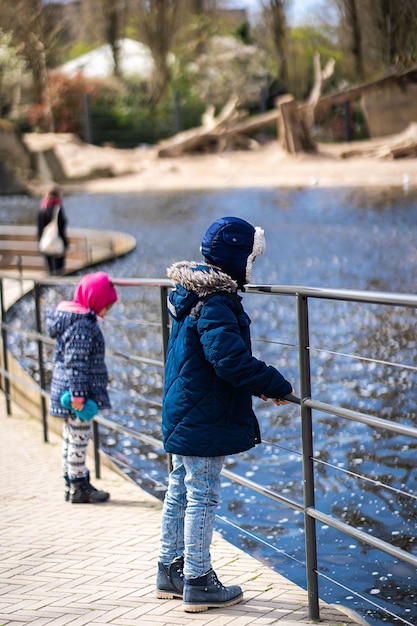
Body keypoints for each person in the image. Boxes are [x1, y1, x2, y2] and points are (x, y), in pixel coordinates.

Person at [156, 216, 294, 613]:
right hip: (204, 414)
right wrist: (272, 382)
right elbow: (229, 360)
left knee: (180, 487)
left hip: (187, 407)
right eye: (250, 258)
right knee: (203, 493)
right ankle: (198, 579)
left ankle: (169, 569)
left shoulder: (190, 292)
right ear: (236, 258)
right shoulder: (216, 301)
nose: (252, 267)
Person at [46, 271, 118, 504]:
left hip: (67, 391)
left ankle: (72, 481)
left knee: (71, 438)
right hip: (76, 396)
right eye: (106, 306)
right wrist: (78, 396)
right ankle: (78, 487)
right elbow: (75, 363)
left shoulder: (72, 320)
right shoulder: (82, 326)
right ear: (95, 301)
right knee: (79, 439)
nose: (107, 311)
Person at [38, 186, 68, 275]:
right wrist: (65, 243)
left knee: (50, 270)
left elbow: (40, 229)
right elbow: (62, 229)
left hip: (46, 243)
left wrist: (40, 243)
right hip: (57, 242)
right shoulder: (58, 209)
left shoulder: (42, 209)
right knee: (59, 271)